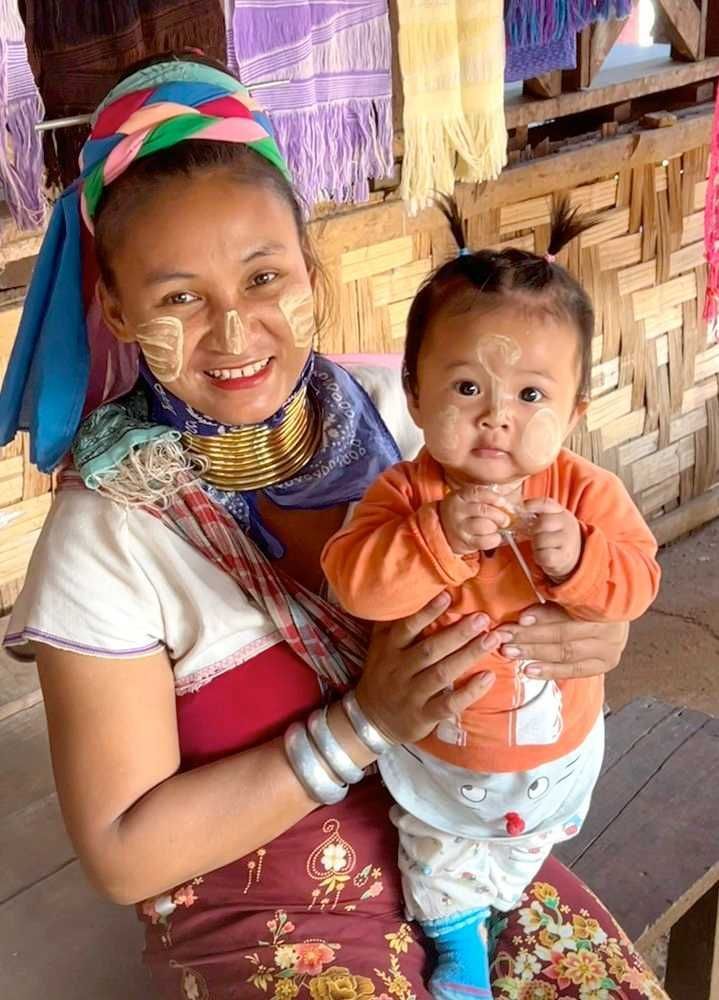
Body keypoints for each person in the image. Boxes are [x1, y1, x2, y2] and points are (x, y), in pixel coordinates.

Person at [0, 53, 670, 1000]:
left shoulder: (416, 420)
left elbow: (578, 569)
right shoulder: (108, 531)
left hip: (473, 842)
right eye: (179, 297)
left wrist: (592, 628)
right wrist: (364, 723)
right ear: (115, 307)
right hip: (265, 903)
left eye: (263, 277)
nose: (234, 333)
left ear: (309, 269)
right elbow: (121, 854)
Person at [322, 199, 661, 1000]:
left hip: (557, 753)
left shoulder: (587, 495)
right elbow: (353, 583)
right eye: (467, 386)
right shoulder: (403, 495)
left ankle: (502, 893)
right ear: (414, 395)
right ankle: (456, 945)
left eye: (531, 395)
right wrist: (434, 537)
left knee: (525, 848)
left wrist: (581, 559)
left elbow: (639, 581)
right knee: (434, 857)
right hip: (441, 758)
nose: (496, 418)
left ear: (575, 411)